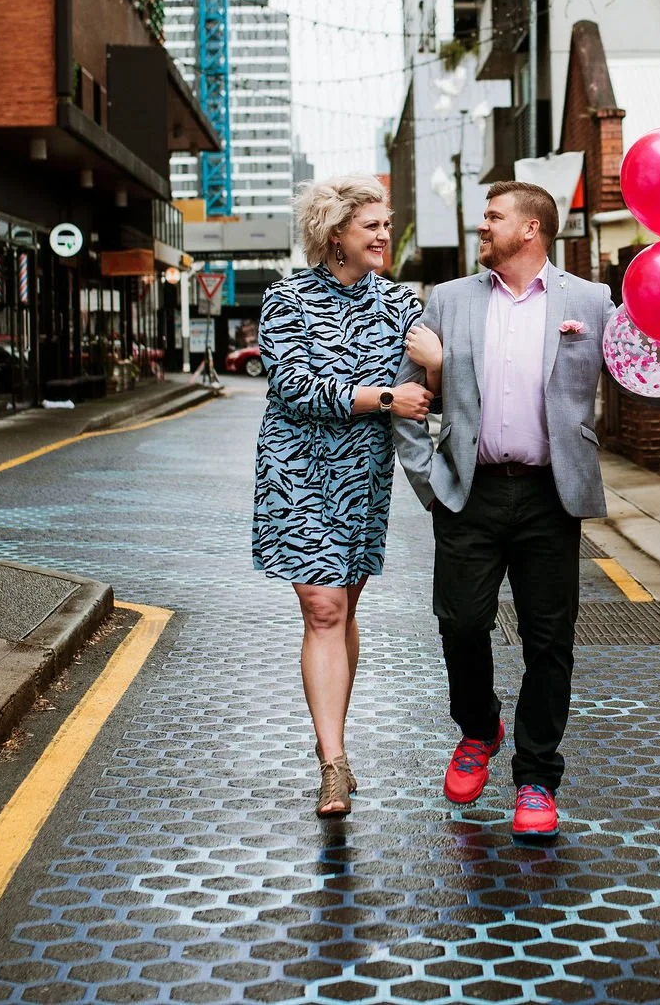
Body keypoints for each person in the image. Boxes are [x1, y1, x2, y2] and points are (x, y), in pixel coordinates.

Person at [393, 181, 618, 842]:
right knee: (460, 622)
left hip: (553, 494)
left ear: (532, 229)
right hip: (470, 489)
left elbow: (649, 372)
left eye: (493, 216)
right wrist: (428, 479)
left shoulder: (591, 301)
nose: (481, 225)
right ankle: (478, 725)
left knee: (550, 639)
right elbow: (410, 392)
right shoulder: (449, 300)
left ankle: (537, 779)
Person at [252, 175, 433, 817]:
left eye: (387, 224)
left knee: (344, 607)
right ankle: (332, 762)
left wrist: (437, 363)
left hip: (363, 474)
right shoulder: (286, 299)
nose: (386, 235)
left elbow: (437, 373)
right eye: (373, 225)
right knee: (322, 609)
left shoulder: (402, 305)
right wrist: (383, 399)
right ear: (336, 234)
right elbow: (295, 386)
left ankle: (337, 740)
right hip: (297, 469)